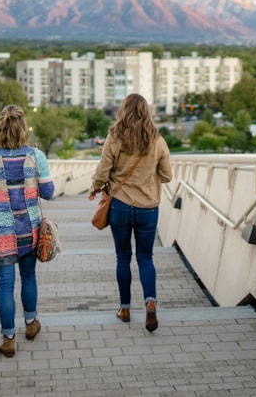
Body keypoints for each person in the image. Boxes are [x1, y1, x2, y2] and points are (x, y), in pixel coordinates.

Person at [0, 105, 55, 357]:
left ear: (0, 128)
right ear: (23, 129)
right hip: (29, 230)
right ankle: (31, 325)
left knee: (5, 286)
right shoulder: (35, 156)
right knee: (29, 277)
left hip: (1, 231)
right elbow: (49, 193)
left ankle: (8, 338)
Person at [89, 93, 172, 332]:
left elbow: (102, 170)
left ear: (123, 111)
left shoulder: (115, 138)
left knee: (123, 257)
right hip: (148, 208)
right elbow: (167, 176)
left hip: (120, 206)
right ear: (147, 112)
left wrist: (95, 188)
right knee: (145, 257)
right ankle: (150, 304)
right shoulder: (157, 140)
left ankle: (125, 309)